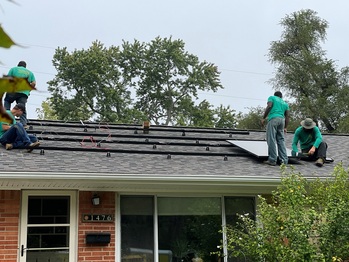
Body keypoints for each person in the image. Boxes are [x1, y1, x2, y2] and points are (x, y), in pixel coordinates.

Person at [4, 61, 36, 128]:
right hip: (24, 92)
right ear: (25, 66)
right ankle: (24, 124)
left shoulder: (13, 69)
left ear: (18, 65)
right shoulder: (30, 73)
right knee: (22, 108)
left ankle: (6, 120)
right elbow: (33, 83)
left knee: (7, 102)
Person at [261, 91, 290, 166]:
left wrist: (263, 118)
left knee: (271, 138)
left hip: (274, 119)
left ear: (275, 95)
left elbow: (269, 106)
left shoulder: (272, 98)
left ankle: (272, 159)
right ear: (281, 96)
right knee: (281, 140)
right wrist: (286, 127)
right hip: (282, 121)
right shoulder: (285, 103)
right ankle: (284, 160)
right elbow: (287, 116)